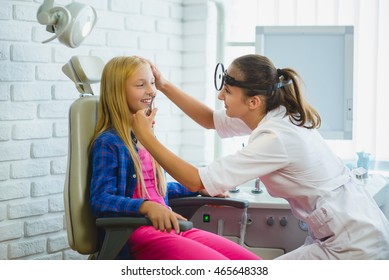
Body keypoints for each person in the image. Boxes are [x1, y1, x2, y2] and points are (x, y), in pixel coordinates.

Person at [132, 54, 389, 260]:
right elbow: (210, 119)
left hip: (353, 247)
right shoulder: (273, 112)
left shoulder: (275, 137)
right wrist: (163, 84)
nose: (221, 96)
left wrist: (147, 137)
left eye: (228, 91)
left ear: (253, 101)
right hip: (347, 231)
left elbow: (197, 181)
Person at [88, 56, 261, 260]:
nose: (151, 91)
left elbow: (153, 191)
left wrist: (197, 188)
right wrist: (146, 207)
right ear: (118, 91)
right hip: (138, 232)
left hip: (169, 226)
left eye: (152, 82)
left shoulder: (143, 137)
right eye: (141, 84)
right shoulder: (108, 142)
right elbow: (100, 199)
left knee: (251, 263)